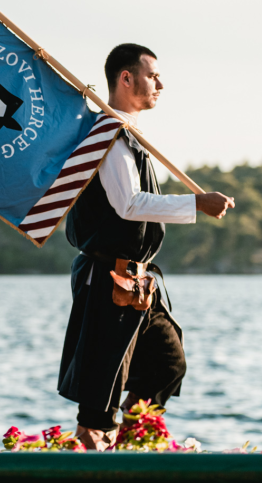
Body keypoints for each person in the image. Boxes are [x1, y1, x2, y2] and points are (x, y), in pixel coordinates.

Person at [58, 44, 236, 451]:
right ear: (126, 78)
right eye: (152, 75)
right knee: (102, 386)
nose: (160, 83)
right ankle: (95, 460)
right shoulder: (109, 134)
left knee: (166, 362)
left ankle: (128, 448)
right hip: (109, 278)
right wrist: (196, 202)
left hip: (137, 280)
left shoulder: (128, 135)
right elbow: (129, 204)